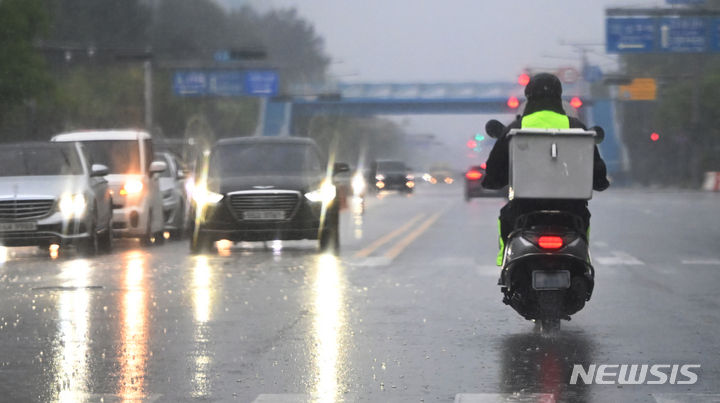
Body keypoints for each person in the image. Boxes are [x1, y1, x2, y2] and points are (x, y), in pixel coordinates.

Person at [482, 73, 610, 266]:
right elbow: (597, 171)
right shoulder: (576, 127)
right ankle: (583, 263)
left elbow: (494, 171)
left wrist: (492, 181)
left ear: (529, 96)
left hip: (524, 208)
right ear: (559, 96)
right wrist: (600, 182)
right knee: (584, 220)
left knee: (506, 218)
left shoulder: (516, 128)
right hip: (571, 208)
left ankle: (506, 263)